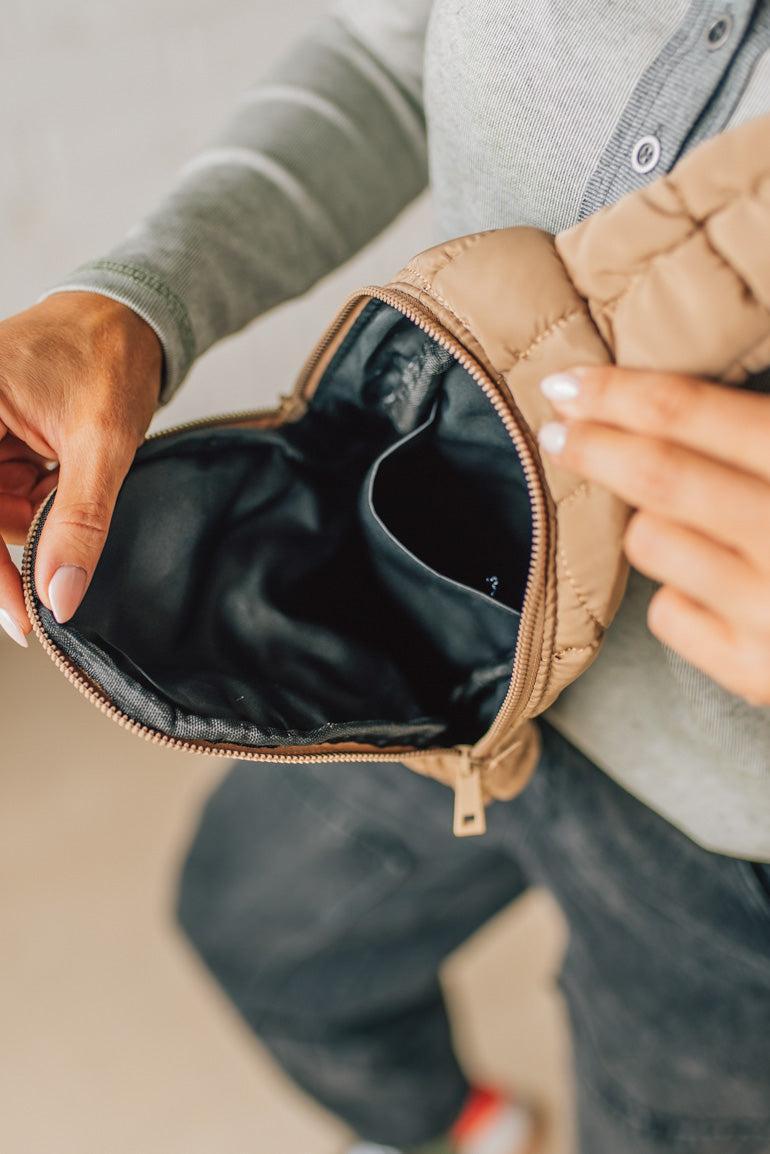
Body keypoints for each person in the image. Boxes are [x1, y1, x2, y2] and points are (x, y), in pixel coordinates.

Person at [1, 3, 770, 1152]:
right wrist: (132, 298)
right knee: (263, 933)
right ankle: (452, 1126)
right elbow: (384, 50)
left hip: (717, 813)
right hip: (373, 641)